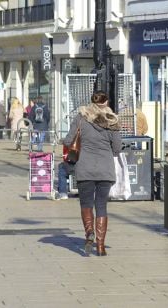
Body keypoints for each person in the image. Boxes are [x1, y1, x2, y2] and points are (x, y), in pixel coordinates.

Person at [63, 91, 121, 256]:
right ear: (106, 102)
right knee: (101, 205)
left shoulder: (81, 118)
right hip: (105, 169)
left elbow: (68, 140)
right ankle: (101, 247)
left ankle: (89, 232)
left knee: (86, 204)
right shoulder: (112, 121)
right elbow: (117, 149)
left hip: (85, 168)